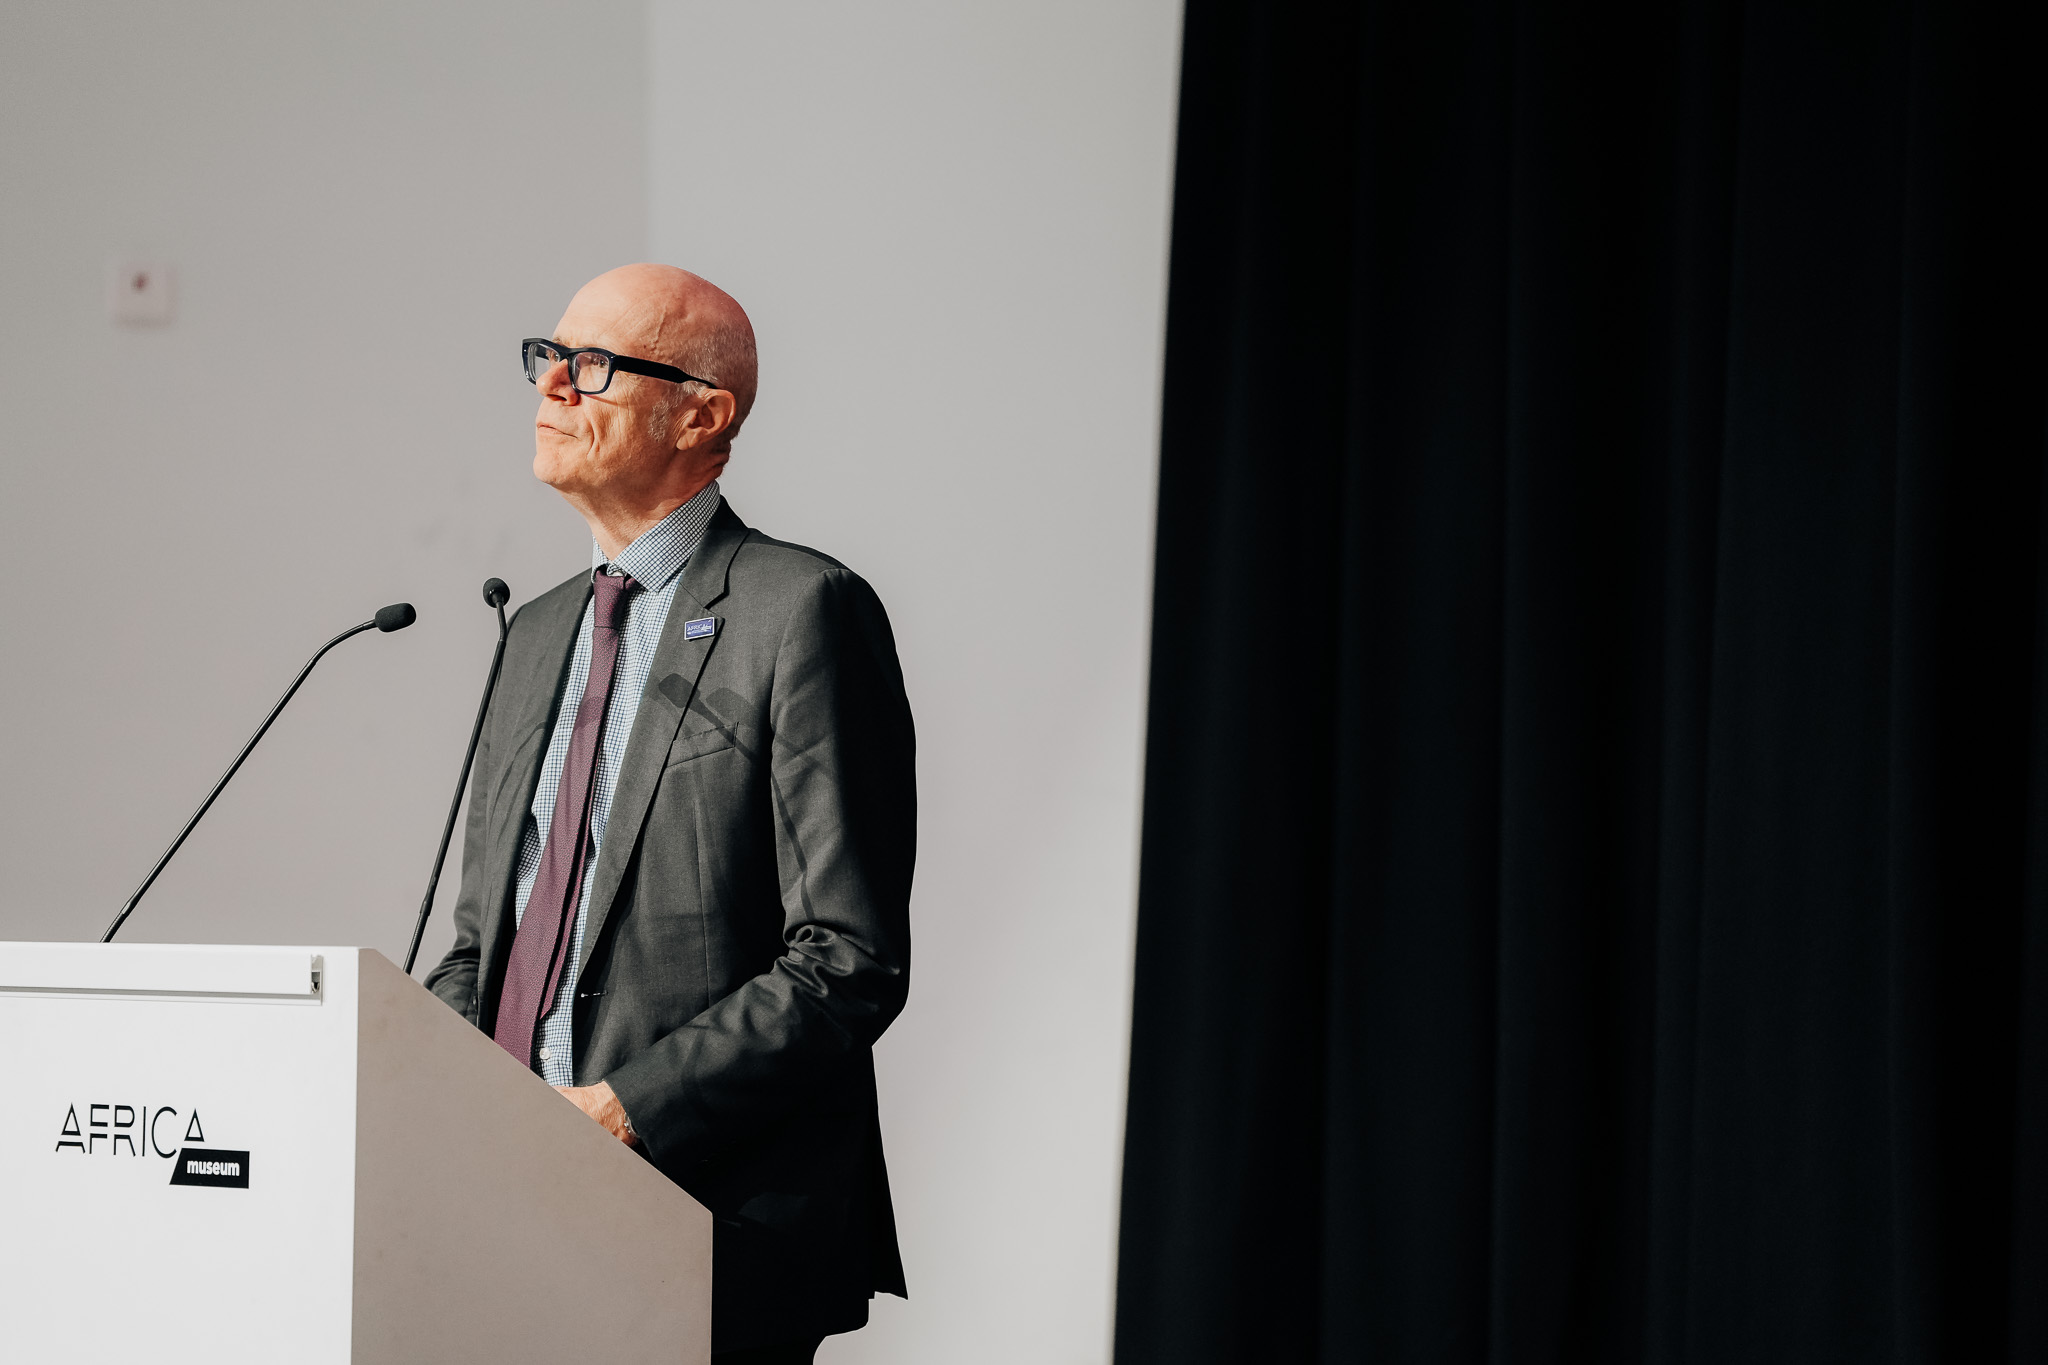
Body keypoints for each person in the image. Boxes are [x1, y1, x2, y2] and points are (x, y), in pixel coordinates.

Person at [427, 264, 914, 1364]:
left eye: (592, 364)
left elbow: (846, 958)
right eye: (546, 357)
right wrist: (439, 1094)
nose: (553, 385)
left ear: (703, 415)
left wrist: (621, 1109)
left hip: (706, 1218)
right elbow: (481, 943)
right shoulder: (533, 632)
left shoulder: (800, 611)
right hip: (501, 1203)